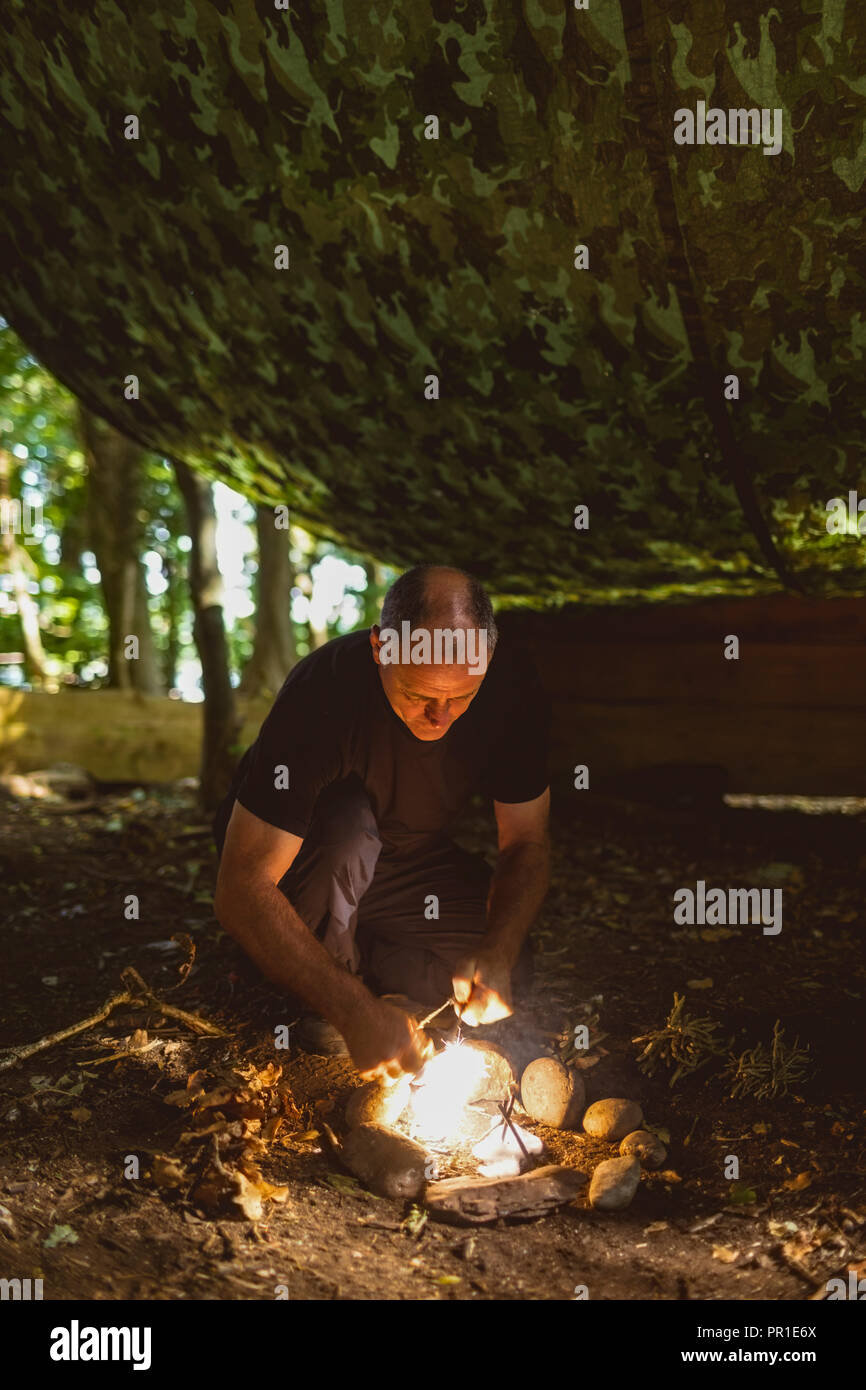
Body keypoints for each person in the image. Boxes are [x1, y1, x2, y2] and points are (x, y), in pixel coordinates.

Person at [212, 564, 550, 1081]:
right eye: (419, 694)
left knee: (508, 967)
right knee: (350, 825)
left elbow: (526, 841)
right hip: (306, 858)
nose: (440, 718)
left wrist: (497, 950)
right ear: (380, 649)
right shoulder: (321, 693)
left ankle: (350, 955)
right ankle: (323, 984)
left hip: (404, 867)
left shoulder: (512, 688)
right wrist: (354, 1012)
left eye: (459, 697)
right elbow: (241, 886)